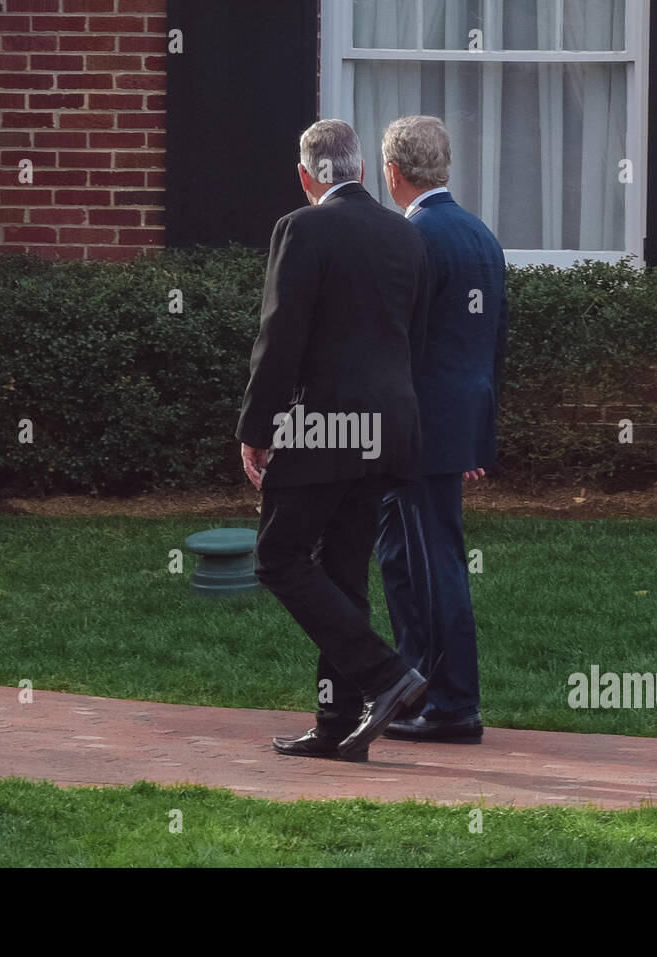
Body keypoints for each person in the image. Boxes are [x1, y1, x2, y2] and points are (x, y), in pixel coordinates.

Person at [235, 119, 431, 761]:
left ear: (305, 176)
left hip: (322, 428)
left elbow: (280, 338)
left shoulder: (301, 228)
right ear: (364, 173)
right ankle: (335, 723)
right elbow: (411, 338)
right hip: (389, 428)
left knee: (278, 557)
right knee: (343, 573)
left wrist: (256, 430)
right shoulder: (404, 236)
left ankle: (385, 676)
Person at [374, 115, 508, 744]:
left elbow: (400, 345)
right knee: (408, 557)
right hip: (451, 426)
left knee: (430, 565)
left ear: (393, 172)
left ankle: (452, 705)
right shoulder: (480, 235)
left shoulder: (412, 237)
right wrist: (476, 436)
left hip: (416, 432)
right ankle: (416, 688)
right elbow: (487, 347)